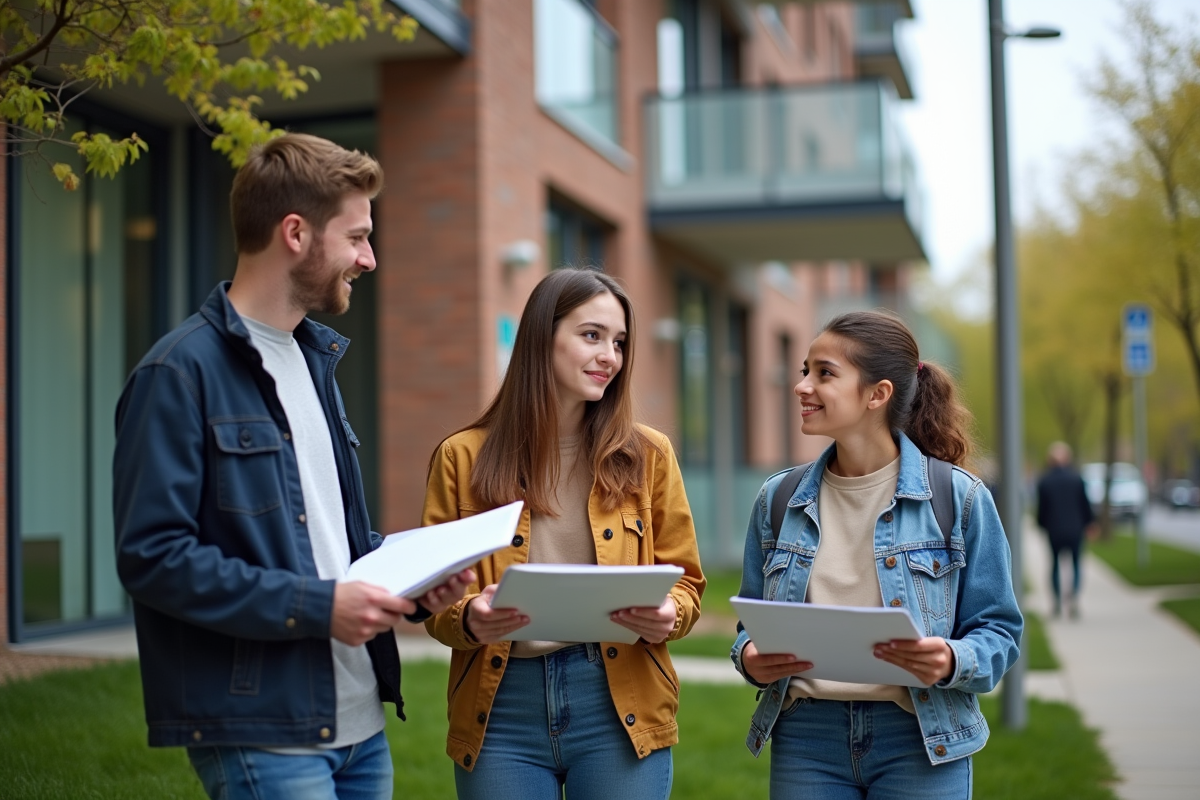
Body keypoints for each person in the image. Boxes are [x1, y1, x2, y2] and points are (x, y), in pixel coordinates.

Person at [113, 133, 473, 800]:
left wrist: (417, 587)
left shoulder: (316, 361)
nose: (370, 258)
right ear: (296, 233)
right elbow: (153, 557)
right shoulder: (177, 373)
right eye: (358, 237)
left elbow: (327, 541)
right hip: (264, 730)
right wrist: (317, 606)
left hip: (361, 726)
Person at [422, 267, 705, 800]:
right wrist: (470, 618)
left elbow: (686, 583)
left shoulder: (649, 455)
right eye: (591, 335)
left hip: (619, 703)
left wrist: (668, 613)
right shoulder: (461, 458)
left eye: (618, 342)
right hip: (501, 709)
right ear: (540, 337)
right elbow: (435, 600)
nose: (610, 357)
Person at [730, 310, 1022, 799]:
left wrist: (951, 660)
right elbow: (749, 628)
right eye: (805, 370)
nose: (802, 386)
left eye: (824, 373)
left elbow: (1000, 630)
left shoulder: (960, 498)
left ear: (877, 394)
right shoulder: (777, 499)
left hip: (920, 738)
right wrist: (750, 659)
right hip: (807, 739)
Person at [1036, 441, 1096, 618]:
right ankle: (1074, 599)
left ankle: (1056, 603)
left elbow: (1042, 510)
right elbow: (1085, 504)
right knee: (1076, 564)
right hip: (1075, 530)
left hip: (1054, 531)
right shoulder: (1077, 479)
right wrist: (1090, 523)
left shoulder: (1044, 481)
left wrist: (1042, 525)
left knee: (1054, 565)